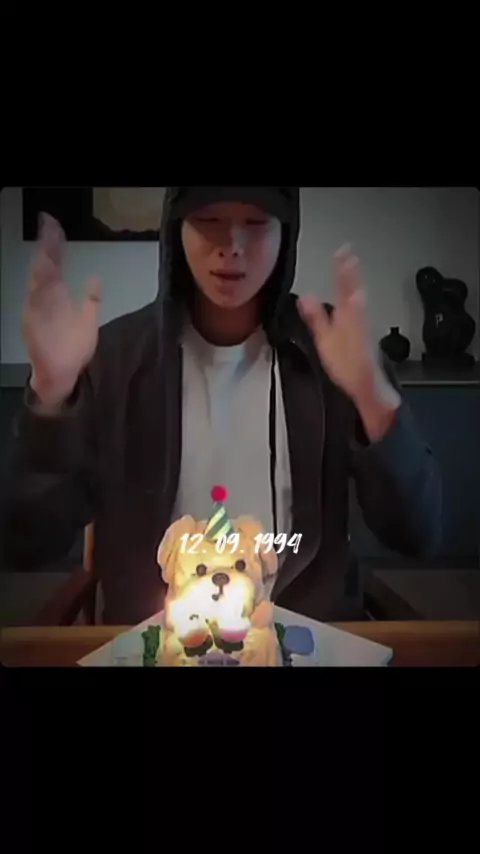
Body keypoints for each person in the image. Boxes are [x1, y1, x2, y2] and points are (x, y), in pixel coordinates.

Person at [1, 187, 442, 624]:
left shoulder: (330, 350)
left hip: (306, 641)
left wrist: (371, 396)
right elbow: (29, 542)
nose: (232, 246)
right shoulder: (114, 358)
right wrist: (51, 397)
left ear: (286, 233)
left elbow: (417, 535)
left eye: (255, 223)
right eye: (208, 220)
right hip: (156, 645)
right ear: (176, 228)